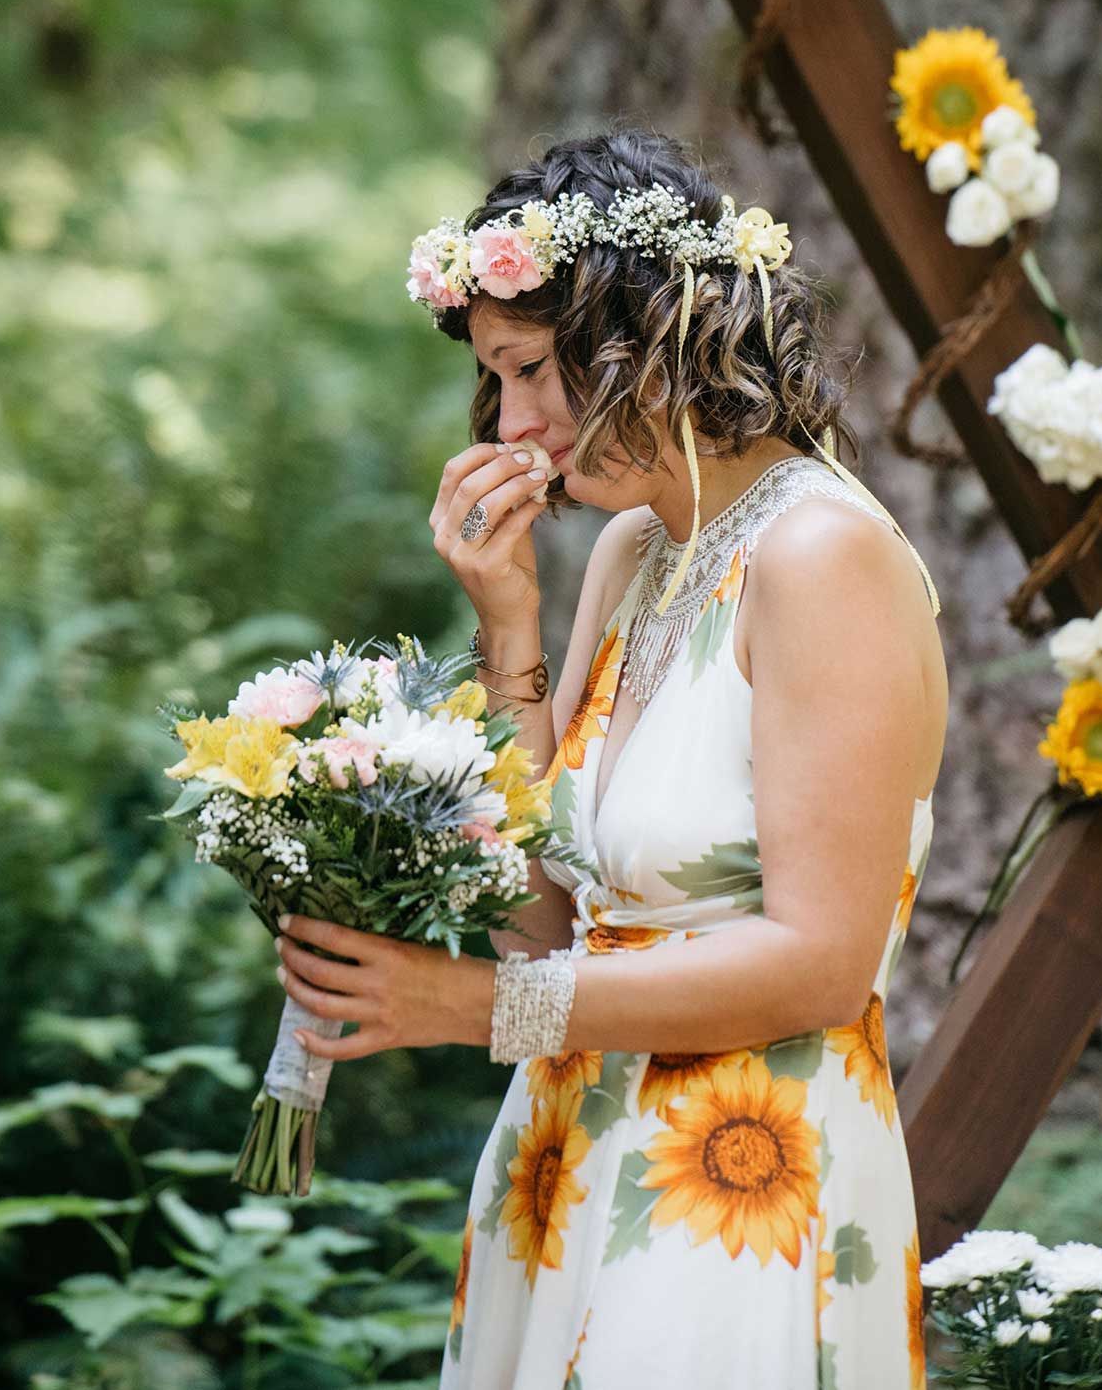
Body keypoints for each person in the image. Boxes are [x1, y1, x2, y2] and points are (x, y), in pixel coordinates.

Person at [272, 130, 948, 1387]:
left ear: (650, 334)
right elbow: (538, 916)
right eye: (494, 380)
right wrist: (508, 620)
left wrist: (466, 1008)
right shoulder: (636, 551)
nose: (511, 419)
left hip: (740, 1178)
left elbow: (820, 961)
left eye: (530, 368)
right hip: (570, 1154)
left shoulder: (821, 559)